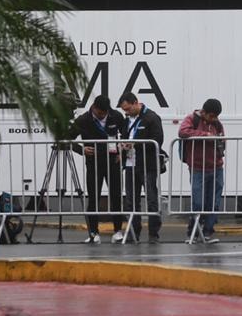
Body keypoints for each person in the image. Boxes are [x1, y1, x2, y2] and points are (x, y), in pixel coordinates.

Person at [65, 95, 126, 244]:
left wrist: (122, 151)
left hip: (113, 162)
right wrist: (81, 149)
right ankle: (93, 232)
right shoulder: (83, 120)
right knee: (93, 198)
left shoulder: (116, 116)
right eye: (100, 113)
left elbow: (126, 135)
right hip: (94, 163)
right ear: (94, 107)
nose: (103, 115)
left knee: (116, 196)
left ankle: (118, 231)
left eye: (105, 113)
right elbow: (67, 138)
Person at [118, 92, 166, 243]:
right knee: (131, 200)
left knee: (151, 199)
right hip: (130, 164)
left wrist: (135, 143)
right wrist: (123, 145)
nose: (126, 112)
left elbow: (158, 140)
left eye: (128, 109)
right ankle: (133, 231)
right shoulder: (127, 120)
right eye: (124, 110)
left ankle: (153, 233)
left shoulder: (151, 117)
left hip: (147, 164)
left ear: (135, 103)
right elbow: (124, 136)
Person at [179, 98, 226, 244]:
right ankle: (193, 231)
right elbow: (183, 132)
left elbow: (223, 139)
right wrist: (205, 135)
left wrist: (219, 142)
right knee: (198, 202)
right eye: (211, 116)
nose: (214, 119)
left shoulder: (217, 124)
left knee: (214, 202)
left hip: (216, 167)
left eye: (216, 116)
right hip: (198, 168)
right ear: (204, 112)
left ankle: (208, 232)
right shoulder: (191, 119)